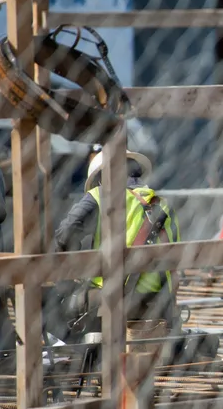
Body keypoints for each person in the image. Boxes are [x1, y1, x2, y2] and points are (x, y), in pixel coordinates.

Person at [54, 149, 181, 350]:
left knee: (47, 302)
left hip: (110, 298)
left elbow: (65, 233)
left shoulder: (100, 196)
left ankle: (84, 357)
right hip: (157, 303)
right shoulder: (163, 205)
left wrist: (73, 267)